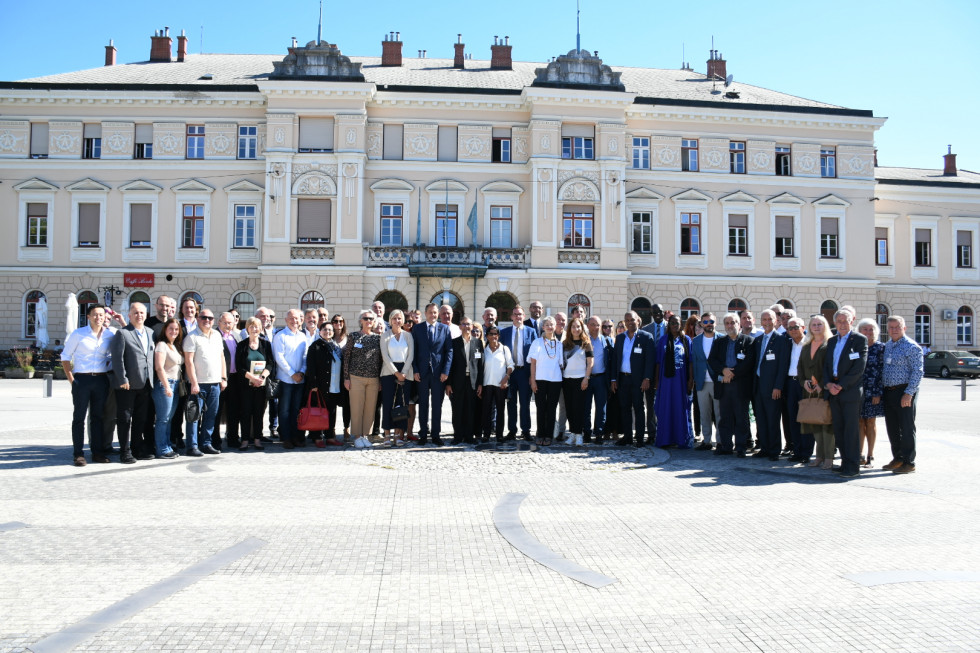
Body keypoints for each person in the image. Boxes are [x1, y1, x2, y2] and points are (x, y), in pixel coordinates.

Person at [61, 304, 114, 466]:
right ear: (89, 317)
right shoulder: (78, 334)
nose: (99, 318)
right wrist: (72, 380)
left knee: (98, 418)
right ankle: (78, 454)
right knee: (79, 418)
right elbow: (65, 357)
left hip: (100, 380)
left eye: (101, 315)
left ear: (105, 317)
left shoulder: (110, 335)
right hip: (82, 380)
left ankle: (97, 452)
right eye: (95, 315)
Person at [823, 308, 868, 478]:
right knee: (839, 429)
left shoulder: (859, 340)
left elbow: (858, 368)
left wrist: (840, 385)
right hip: (833, 391)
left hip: (849, 392)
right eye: (839, 321)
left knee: (851, 430)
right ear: (835, 322)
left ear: (852, 321)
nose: (842, 324)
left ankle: (853, 465)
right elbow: (827, 365)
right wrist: (828, 384)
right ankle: (844, 462)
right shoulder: (832, 341)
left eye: (845, 320)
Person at [110, 302, 156, 463]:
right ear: (129, 316)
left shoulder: (150, 332)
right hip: (127, 385)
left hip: (145, 383)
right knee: (125, 419)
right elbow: (117, 359)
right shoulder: (122, 333)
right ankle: (125, 451)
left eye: (142, 312)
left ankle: (137, 449)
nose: (139, 315)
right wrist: (123, 379)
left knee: (140, 419)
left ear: (146, 315)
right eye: (136, 313)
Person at [707, 313, 755, 457]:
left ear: (738, 324)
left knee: (741, 418)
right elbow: (712, 360)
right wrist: (723, 370)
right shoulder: (719, 342)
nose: (730, 325)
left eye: (733, 322)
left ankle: (741, 447)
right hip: (724, 385)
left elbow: (749, 363)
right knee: (725, 417)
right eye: (727, 323)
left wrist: (732, 374)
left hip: (740, 385)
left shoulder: (749, 341)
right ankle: (727, 446)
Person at [881, 316, 924, 474]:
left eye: (897, 327)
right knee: (892, 428)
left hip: (904, 391)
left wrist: (909, 393)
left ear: (904, 328)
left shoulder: (912, 347)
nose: (893, 330)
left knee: (906, 428)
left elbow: (918, 372)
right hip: (889, 391)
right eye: (891, 327)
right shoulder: (888, 346)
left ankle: (909, 461)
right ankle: (898, 458)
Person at [183, 308, 227, 457]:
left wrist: (223, 378)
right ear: (198, 318)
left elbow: (222, 357)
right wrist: (194, 383)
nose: (207, 320)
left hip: (215, 383)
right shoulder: (191, 337)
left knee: (211, 415)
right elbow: (189, 362)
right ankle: (192, 445)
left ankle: (206, 443)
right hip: (198, 384)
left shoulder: (216, 335)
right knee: (194, 416)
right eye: (203, 317)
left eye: (210, 318)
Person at [610, 311, 656, 447]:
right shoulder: (620, 338)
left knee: (638, 408)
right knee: (624, 408)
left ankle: (640, 438)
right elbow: (615, 360)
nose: (630, 322)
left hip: (638, 380)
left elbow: (650, 360)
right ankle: (628, 437)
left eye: (632, 319)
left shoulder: (646, 337)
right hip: (623, 379)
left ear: (638, 321)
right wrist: (613, 379)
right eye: (627, 320)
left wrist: (647, 378)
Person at [412, 303, 453, 446]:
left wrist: (445, 371)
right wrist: (415, 370)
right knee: (423, 404)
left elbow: (449, 351)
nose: (433, 315)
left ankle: (436, 435)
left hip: (438, 374)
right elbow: (414, 351)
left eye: (435, 312)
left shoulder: (445, 329)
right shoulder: (417, 329)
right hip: (422, 374)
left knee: (437, 405)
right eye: (430, 312)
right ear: (425, 313)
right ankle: (423, 434)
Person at [753, 309, 790, 461]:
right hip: (758, 386)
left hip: (773, 388)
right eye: (764, 319)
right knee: (761, 419)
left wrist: (778, 387)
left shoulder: (781, 340)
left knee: (773, 419)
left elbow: (783, 366)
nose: (767, 322)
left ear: (776, 321)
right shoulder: (758, 340)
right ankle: (765, 448)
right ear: (761, 322)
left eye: (770, 319)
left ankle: (774, 450)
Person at [797, 315, 833, 468]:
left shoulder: (830, 344)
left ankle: (829, 458)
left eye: (820, 324)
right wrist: (803, 381)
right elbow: (800, 368)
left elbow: (832, 367)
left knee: (827, 424)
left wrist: (823, 384)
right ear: (809, 327)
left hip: (825, 390)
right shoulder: (806, 345)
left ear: (825, 326)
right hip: (810, 391)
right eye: (814, 324)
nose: (817, 327)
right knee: (815, 424)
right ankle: (819, 456)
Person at [654, 314, 694, 448]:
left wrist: (690, 380)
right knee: (665, 408)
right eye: (672, 323)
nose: (674, 325)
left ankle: (681, 439)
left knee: (680, 408)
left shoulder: (686, 340)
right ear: (669, 325)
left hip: (681, 381)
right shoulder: (663, 340)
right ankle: (665, 439)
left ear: (681, 324)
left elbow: (690, 362)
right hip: (666, 381)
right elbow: (659, 362)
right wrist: (657, 381)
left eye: (677, 323)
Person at [344, 310, 383, 448]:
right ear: (361, 321)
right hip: (356, 377)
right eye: (366, 318)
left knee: (370, 408)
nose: (368, 321)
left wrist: (380, 380)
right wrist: (346, 378)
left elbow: (381, 360)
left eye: (371, 319)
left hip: (373, 378)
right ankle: (357, 436)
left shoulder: (378, 338)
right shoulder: (353, 336)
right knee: (356, 407)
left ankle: (365, 435)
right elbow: (347, 357)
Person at [236, 317, 276, 450]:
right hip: (245, 385)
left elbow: (271, 363)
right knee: (245, 413)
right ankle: (245, 440)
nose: (254, 329)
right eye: (251, 326)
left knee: (259, 413)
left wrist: (262, 377)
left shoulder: (266, 345)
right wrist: (252, 378)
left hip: (261, 385)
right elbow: (239, 366)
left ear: (260, 328)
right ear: (247, 328)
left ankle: (258, 439)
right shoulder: (242, 345)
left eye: (257, 326)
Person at [273, 309, 309, 449]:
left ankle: (296, 436)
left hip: (300, 379)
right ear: (286, 320)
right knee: (284, 410)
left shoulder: (302, 336)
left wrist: (302, 372)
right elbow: (279, 358)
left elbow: (305, 357)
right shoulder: (280, 336)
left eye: (297, 319)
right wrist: (292, 373)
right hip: (285, 379)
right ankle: (286, 437)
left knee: (296, 410)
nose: (295, 321)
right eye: (291, 318)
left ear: (301, 321)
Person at [303, 321, 342, 448]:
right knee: (318, 411)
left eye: (330, 330)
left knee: (331, 411)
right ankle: (317, 437)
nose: (328, 332)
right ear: (320, 332)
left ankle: (330, 436)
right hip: (320, 385)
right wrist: (313, 384)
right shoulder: (315, 346)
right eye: (325, 329)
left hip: (334, 385)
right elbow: (311, 366)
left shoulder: (335, 346)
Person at [379, 309, 414, 447]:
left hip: (406, 373)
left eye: (399, 318)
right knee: (388, 404)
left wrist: (403, 372)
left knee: (402, 404)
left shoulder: (408, 336)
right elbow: (385, 356)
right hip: (389, 373)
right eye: (394, 318)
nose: (397, 321)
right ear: (390, 320)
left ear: (403, 320)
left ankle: (399, 435)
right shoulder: (385, 336)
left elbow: (411, 355)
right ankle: (387, 435)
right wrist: (396, 373)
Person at [528, 316, 563, 446]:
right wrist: (533, 380)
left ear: (555, 327)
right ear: (543, 327)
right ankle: (540, 434)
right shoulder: (537, 342)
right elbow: (533, 363)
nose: (549, 327)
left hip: (555, 380)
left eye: (552, 324)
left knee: (552, 408)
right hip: (540, 379)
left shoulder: (559, 344)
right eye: (547, 324)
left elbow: (561, 364)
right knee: (541, 408)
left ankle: (549, 435)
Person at [449, 316, 484, 444]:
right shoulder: (454, 342)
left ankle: (469, 436)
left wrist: (480, 383)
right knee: (457, 409)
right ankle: (458, 436)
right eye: (463, 324)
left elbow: (481, 365)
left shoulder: (477, 343)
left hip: (473, 381)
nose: (466, 327)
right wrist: (448, 384)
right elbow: (450, 364)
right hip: (458, 381)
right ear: (459, 327)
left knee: (471, 409)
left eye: (468, 324)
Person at [151, 318, 182, 459]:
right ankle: (161, 449)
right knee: (162, 419)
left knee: (168, 419)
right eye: (171, 329)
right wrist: (166, 386)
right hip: (165, 384)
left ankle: (167, 445)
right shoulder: (162, 345)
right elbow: (159, 367)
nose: (174, 332)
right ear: (165, 330)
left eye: (176, 329)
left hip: (175, 384)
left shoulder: (173, 345)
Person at [856, 318, 884, 468]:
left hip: (874, 391)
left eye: (871, 329)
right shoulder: (856, 347)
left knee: (870, 422)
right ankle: (859, 454)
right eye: (865, 329)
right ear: (859, 331)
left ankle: (870, 455)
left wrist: (877, 392)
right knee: (860, 421)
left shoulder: (881, 348)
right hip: (858, 390)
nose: (868, 332)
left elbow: (882, 372)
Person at [561, 317, 593, 446]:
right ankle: (573, 434)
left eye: (578, 326)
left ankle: (579, 434)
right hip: (566, 379)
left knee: (578, 408)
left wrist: (586, 378)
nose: (576, 329)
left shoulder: (586, 343)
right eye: (573, 327)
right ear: (570, 329)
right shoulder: (565, 344)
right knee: (569, 408)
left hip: (580, 379)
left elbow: (590, 362)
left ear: (582, 328)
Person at [480, 326, 514, 443]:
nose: (493, 336)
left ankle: (499, 435)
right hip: (487, 383)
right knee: (486, 410)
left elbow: (511, 365)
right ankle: (486, 434)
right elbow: (479, 367)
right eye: (491, 334)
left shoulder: (505, 349)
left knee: (500, 410)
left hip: (501, 384)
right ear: (487, 336)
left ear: (498, 336)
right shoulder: (483, 350)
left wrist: (506, 377)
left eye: (496, 334)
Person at [692, 312, 720, 451]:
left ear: (715, 322)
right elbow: (694, 362)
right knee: (704, 413)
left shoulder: (722, 338)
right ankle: (707, 440)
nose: (709, 324)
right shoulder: (696, 341)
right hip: (702, 382)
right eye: (706, 322)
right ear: (701, 324)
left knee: (719, 413)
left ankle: (721, 441)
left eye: (711, 321)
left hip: (718, 382)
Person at [584, 316, 613, 445]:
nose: (595, 327)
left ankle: (599, 433)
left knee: (601, 408)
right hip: (587, 378)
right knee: (586, 407)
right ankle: (586, 432)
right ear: (588, 325)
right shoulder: (583, 341)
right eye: (592, 324)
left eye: (597, 325)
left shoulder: (607, 341)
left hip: (601, 378)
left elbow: (611, 362)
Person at [215, 312, 241, 449]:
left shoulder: (235, 336)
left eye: (230, 323)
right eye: (225, 322)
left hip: (235, 378)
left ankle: (232, 437)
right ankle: (215, 440)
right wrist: (221, 377)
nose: (227, 325)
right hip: (219, 378)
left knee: (233, 410)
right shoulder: (214, 336)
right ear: (219, 322)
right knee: (217, 411)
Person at [641, 303, 666, 443]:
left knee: (665, 403)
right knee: (650, 404)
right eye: (655, 312)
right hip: (650, 372)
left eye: (660, 312)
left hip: (667, 372)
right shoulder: (646, 330)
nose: (658, 314)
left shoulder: (671, 327)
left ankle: (665, 432)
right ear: (651, 314)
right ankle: (651, 433)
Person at [784, 316, 807, 463]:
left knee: (805, 419)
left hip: (804, 384)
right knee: (792, 419)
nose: (793, 330)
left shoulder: (809, 344)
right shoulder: (786, 344)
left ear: (803, 328)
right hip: (790, 384)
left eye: (796, 327)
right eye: (790, 328)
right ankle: (797, 451)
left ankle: (806, 452)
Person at [255, 306, 279, 440]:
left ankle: (273, 428)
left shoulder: (276, 333)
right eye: (262, 316)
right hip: (258, 375)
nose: (266, 319)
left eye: (269, 317)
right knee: (260, 405)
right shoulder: (250, 332)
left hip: (274, 373)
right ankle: (257, 433)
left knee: (274, 403)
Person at [330, 314, 352, 441]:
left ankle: (346, 428)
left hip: (345, 376)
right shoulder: (329, 338)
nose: (338, 323)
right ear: (332, 323)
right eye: (335, 321)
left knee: (347, 404)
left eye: (340, 321)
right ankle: (331, 428)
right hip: (332, 377)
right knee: (332, 404)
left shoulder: (349, 339)